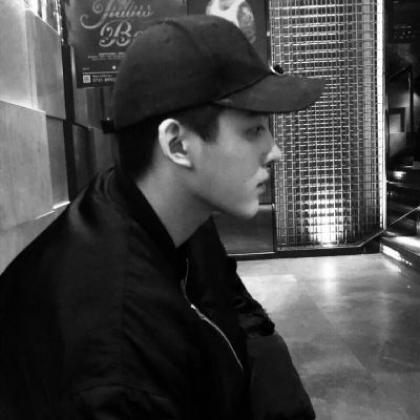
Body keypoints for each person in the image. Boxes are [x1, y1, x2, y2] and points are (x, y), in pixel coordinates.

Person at [0, 15, 324, 420]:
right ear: (177, 144)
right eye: (253, 130)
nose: (275, 152)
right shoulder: (119, 357)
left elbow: (232, 304)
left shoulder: (170, 209)